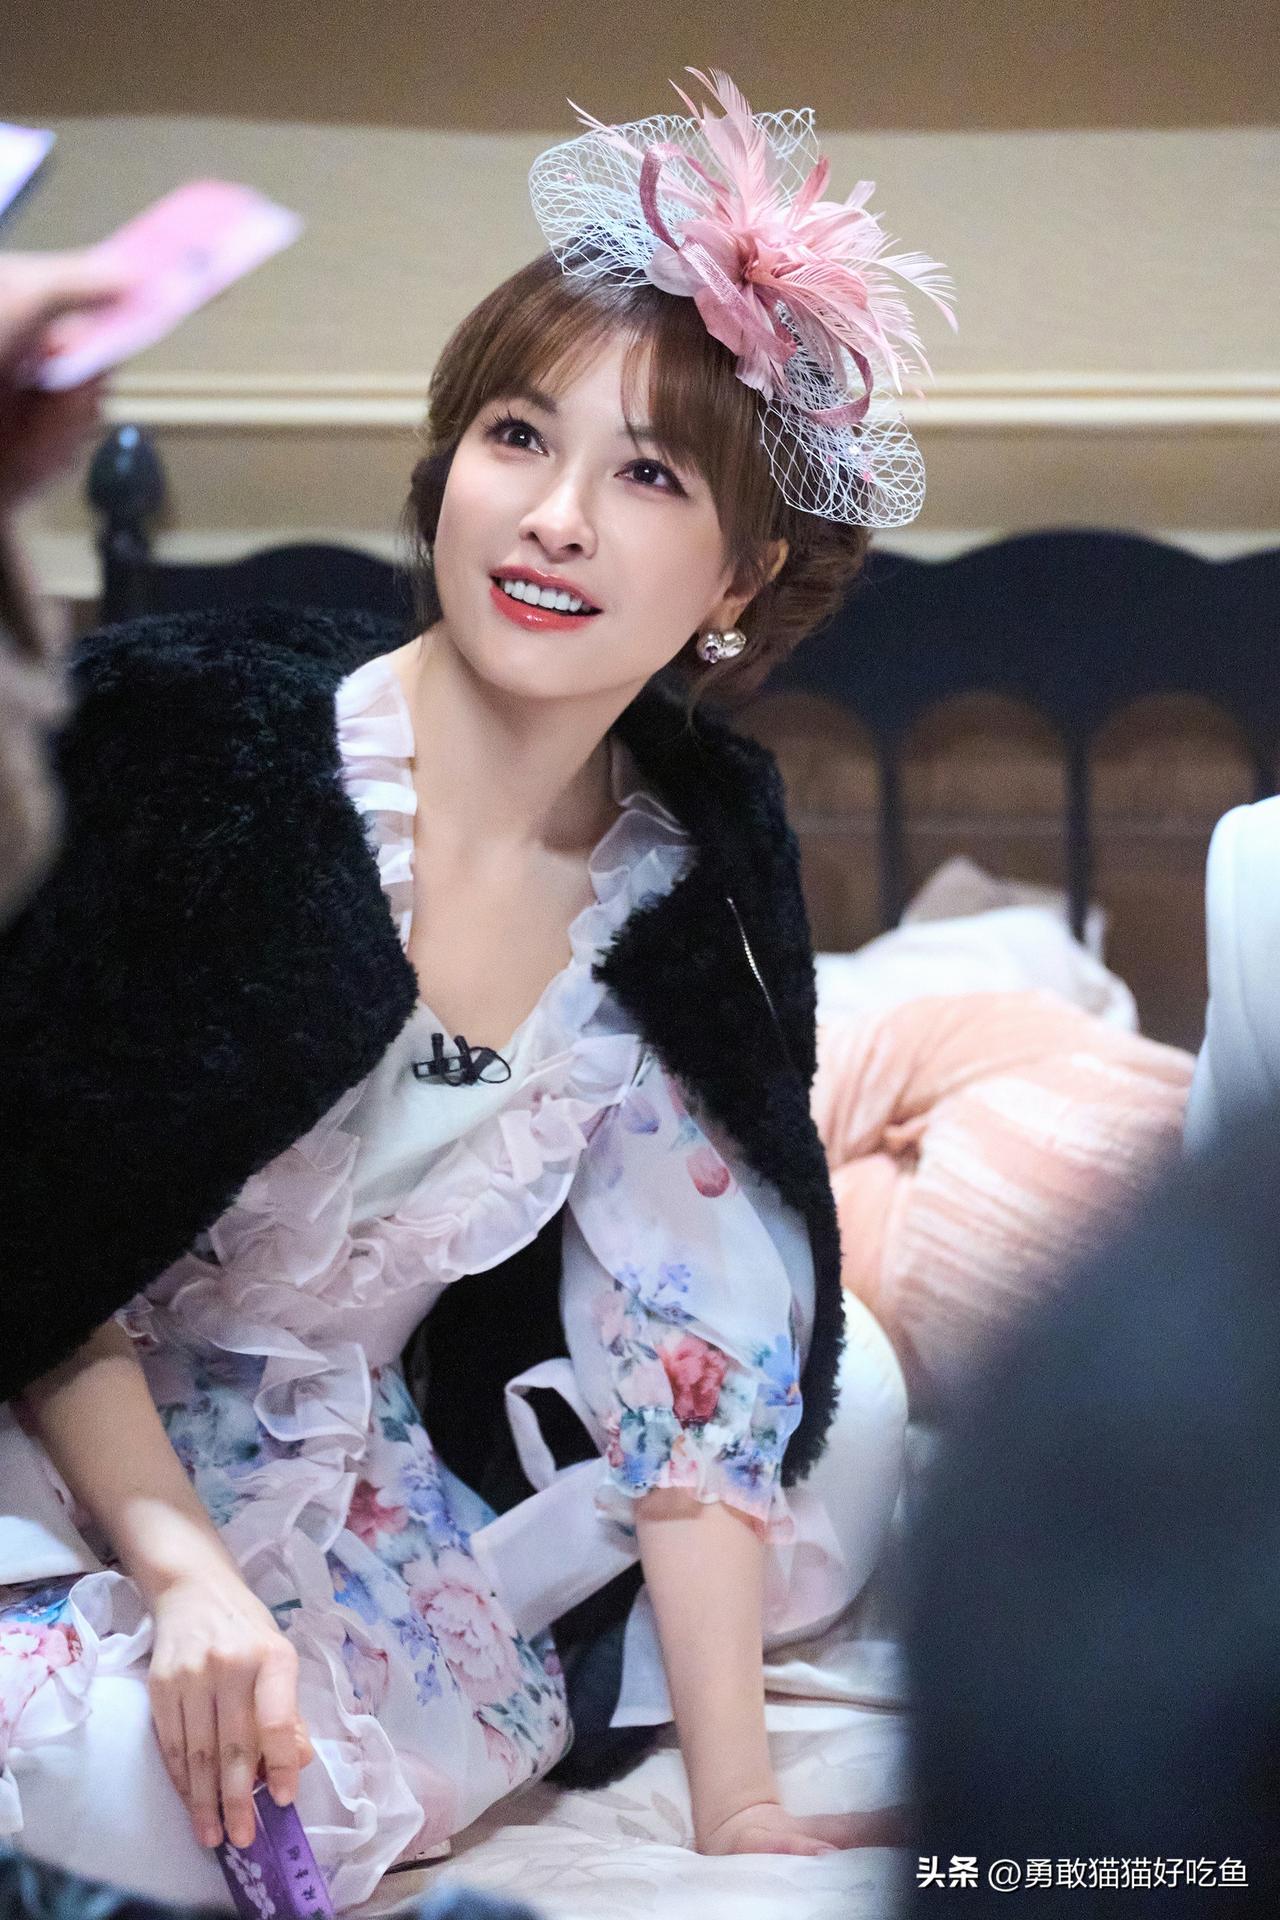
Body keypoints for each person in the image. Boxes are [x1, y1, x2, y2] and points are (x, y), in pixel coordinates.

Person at [0, 70, 953, 1909]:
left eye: (650, 474)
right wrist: (180, 1572)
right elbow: (35, 1210)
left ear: (743, 575)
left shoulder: (673, 880)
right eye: (519, 437)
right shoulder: (195, 744)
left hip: (340, 1467)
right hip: (59, 1419)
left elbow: (694, 1333)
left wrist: (739, 1806)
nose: (557, 518)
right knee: (142, 1796)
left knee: (856, 1412)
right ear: (452, 461)